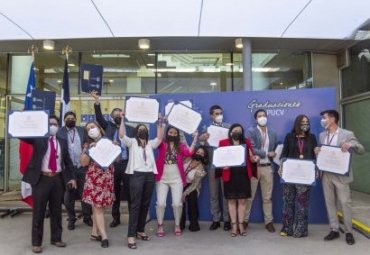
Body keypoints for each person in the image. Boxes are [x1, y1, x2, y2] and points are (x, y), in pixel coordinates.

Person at [21, 115, 75, 254]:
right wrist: (22, 119)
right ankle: (36, 242)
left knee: (56, 211)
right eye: (50, 123)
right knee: (38, 212)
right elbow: (23, 136)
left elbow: (68, 161)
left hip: (57, 179)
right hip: (41, 179)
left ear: (58, 126)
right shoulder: (38, 139)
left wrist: (72, 177)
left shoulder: (62, 141)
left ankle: (56, 238)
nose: (53, 126)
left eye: (55, 124)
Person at [317, 110, 364, 245]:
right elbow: (322, 153)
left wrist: (352, 145)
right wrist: (317, 151)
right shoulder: (322, 135)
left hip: (341, 176)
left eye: (324, 118)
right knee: (329, 202)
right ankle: (334, 229)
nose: (323, 120)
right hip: (326, 174)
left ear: (332, 119)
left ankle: (349, 232)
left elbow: (361, 149)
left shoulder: (347, 134)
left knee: (345, 203)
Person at [119, 112, 165, 249]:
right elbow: (121, 135)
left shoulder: (151, 144)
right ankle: (131, 236)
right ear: (136, 132)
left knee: (145, 204)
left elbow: (160, 137)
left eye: (144, 129)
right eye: (139, 129)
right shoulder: (132, 142)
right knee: (135, 205)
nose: (142, 130)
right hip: (136, 176)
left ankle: (140, 230)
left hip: (150, 176)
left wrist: (159, 121)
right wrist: (122, 118)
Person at [91, 91, 134, 228]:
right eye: (115, 115)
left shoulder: (131, 129)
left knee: (129, 191)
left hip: (127, 164)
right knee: (114, 192)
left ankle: (133, 217)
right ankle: (116, 218)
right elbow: (98, 117)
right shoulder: (107, 127)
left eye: (119, 114)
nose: (117, 116)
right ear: (111, 117)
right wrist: (97, 102)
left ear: (123, 116)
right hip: (113, 165)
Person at [279, 114, 317, 238]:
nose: (305, 124)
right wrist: (281, 166)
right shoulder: (289, 137)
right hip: (289, 175)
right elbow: (284, 153)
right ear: (297, 123)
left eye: (307, 122)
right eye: (303, 122)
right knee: (287, 201)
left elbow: (314, 156)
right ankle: (286, 228)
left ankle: (301, 229)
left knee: (302, 203)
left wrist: (316, 169)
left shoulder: (312, 137)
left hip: (305, 176)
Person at [155, 126, 198, 237]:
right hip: (162, 179)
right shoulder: (161, 144)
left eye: (175, 133)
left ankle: (177, 225)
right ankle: (160, 225)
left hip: (177, 179)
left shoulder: (181, 146)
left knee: (177, 204)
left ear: (177, 135)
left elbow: (189, 153)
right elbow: (158, 138)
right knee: (160, 203)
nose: (173, 134)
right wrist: (161, 124)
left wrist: (195, 139)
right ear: (167, 133)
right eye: (171, 132)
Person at [219, 123, 257, 237]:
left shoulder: (247, 142)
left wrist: (253, 158)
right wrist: (222, 166)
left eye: (239, 131)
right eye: (235, 131)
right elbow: (219, 159)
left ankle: (241, 224)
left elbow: (251, 158)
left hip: (243, 175)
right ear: (230, 132)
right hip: (229, 174)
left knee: (242, 201)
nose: (237, 133)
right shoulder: (223, 143)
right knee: (231, 201)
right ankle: (234, 225)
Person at [81, 121, 115, 248]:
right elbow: (83, 163)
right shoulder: (88, 145)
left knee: (99, 207)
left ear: (99, 128)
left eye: (93, 127)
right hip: (94, 179)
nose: (91, 130)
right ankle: (104, 236)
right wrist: (90, 150)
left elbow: (117, 159)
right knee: (98, 207)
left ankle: (94, 233)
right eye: (88, 129)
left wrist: (115, 148)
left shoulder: (108, 141)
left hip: (107, 178)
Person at [57, 111, 92, 230]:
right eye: (68, 118)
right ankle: (71, 219)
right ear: (64, 120)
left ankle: (87, 217)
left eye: (72, 118)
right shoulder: (59, 132)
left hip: (82, 167)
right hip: (68, 169)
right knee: (68, 196)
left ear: (75, 120)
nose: (70, 120)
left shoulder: (82, 130)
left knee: (85, 194)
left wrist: (87, 144)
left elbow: (89, 141)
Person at [245, 109, 278, 232]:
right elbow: (252, 148)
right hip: (255, 168)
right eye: (259, 116)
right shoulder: (251, 131)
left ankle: (268, 221)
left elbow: (275, 147)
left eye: (264, 115)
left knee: (267, 198)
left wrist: (276, 151)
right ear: (256, 119)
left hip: (268, 168)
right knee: (250, 197)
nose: (262, 117)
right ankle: (244, 220)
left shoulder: (273, 132)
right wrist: (266, 153)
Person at [199, 105, 231, 231]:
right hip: (212, 165)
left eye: (220, 113)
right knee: (213, 194)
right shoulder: (206, 128)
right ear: (211, 115)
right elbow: (201, 148)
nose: (219, 115)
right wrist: (202, 140)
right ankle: (216, 219)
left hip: (225, 166)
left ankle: (227, 220)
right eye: (216, 113)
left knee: (225, 194)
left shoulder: (228, 127)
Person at [180, 145, 209, 232]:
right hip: (180, 184)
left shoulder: (202, 170)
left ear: (204, 156)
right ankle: (180, 224)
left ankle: (194, 224)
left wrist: (184, 194)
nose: (199, 154)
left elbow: (195, 184)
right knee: (179, 204)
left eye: (202, 153)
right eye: (198, 152)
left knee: (192, 201)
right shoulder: (187, 159)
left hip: (192, 186)